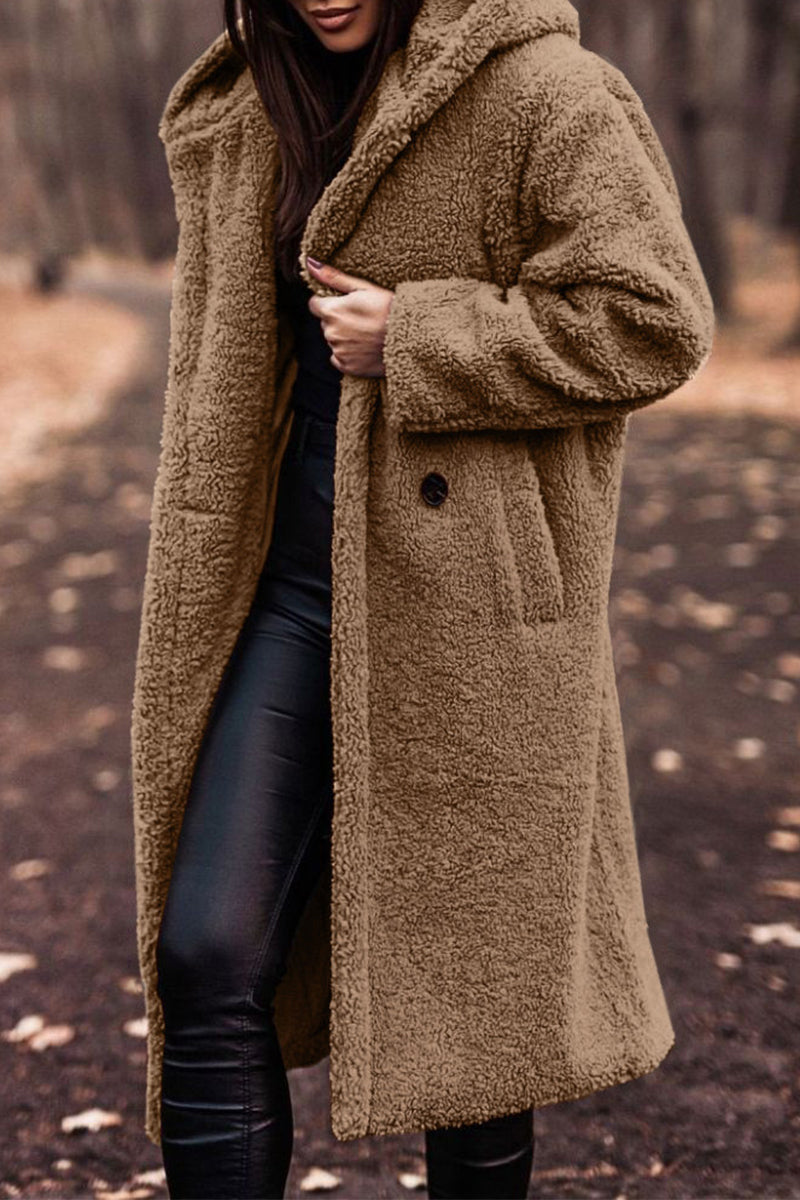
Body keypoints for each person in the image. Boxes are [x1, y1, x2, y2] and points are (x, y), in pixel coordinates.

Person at [130, 0, 715, 1196]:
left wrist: (423, 334)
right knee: (205, 956)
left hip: (472, 612)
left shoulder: (543, 91)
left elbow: (655, 318)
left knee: (481, 1026)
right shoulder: (252, 104)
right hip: (286, 594)